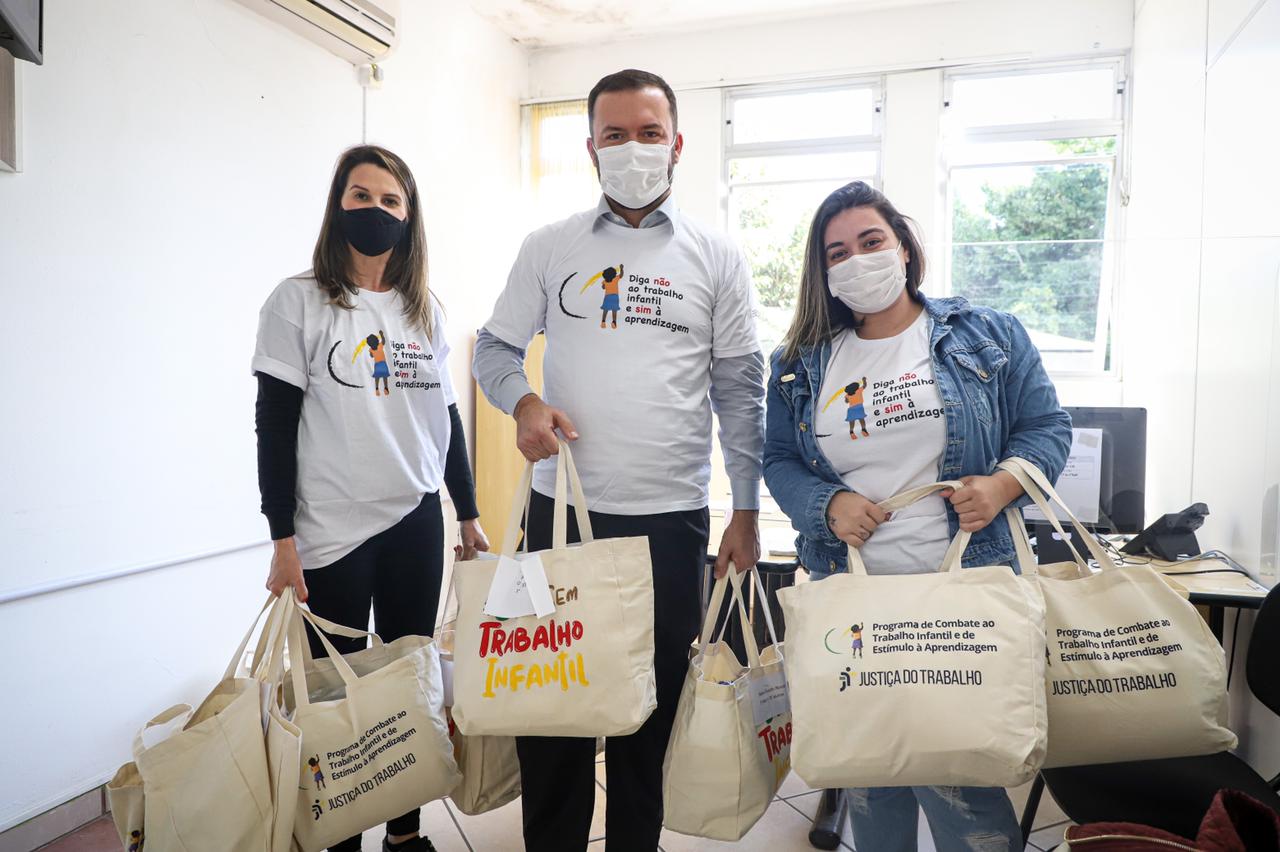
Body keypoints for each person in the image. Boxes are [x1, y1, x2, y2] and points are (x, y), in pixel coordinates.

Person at [472, 69, 765, 852]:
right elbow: (496, 347)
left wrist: (745, 508)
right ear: (591, 148)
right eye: (614, 134)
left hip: (668, 522)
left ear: (676, 143)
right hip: (561, 516)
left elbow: (740, 389)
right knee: (553, 708)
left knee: (650, 710)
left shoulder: (717, 256)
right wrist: (524, 404)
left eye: (647, 132)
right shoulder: (551, 246)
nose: (632, 148)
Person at [763, 180, 1071, 851]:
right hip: (856, 600)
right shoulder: (796, 366)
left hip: (961, 594)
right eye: (836, 252)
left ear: (902, 246)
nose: (856, 260)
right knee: (871, 780)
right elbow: (779, 462)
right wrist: (828, 506)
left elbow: (1048, 427)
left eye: (870, 241)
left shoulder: (988, 334)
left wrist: (1001, 485)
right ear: (823, 274)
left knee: (963, 789)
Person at [252, 144, 489, 852]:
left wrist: (468, 512)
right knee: (341, 695)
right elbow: (275, 425)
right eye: (361, 196)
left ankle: (405, 831)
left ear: (409, 216)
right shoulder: (297, 301)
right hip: (332, 531)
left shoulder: (426, 311)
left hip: (415, 518)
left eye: (390, 201)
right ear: (338, 205)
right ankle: (341, 833)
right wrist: (282, 541)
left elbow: (445, 421)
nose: (375, 211)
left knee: (413, 681)